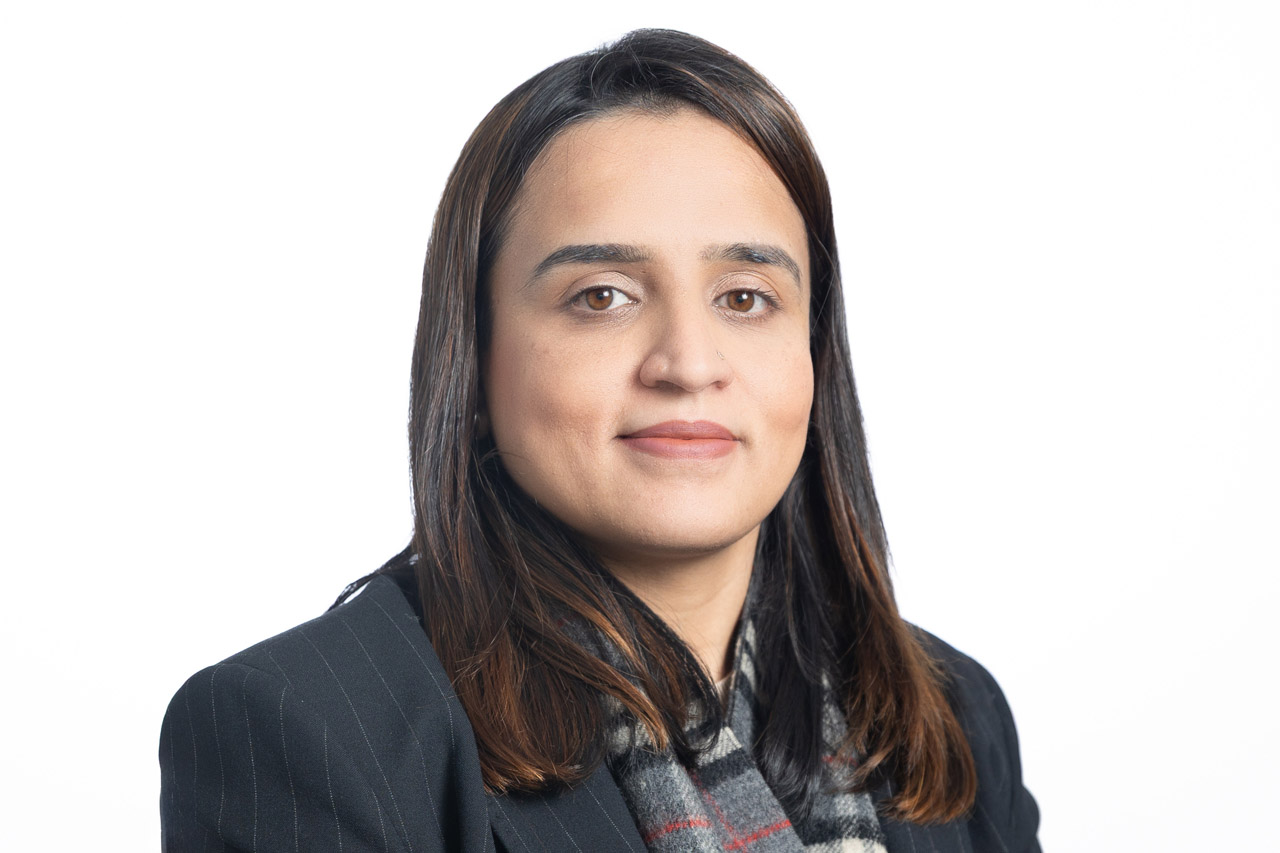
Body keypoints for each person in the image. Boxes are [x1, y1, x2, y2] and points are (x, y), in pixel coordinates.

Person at [159, 29, 1040, 853]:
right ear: (475, 359)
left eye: (744, 297)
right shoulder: (303, 730)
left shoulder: (955, 713)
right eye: (602, 296)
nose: (689, 364)